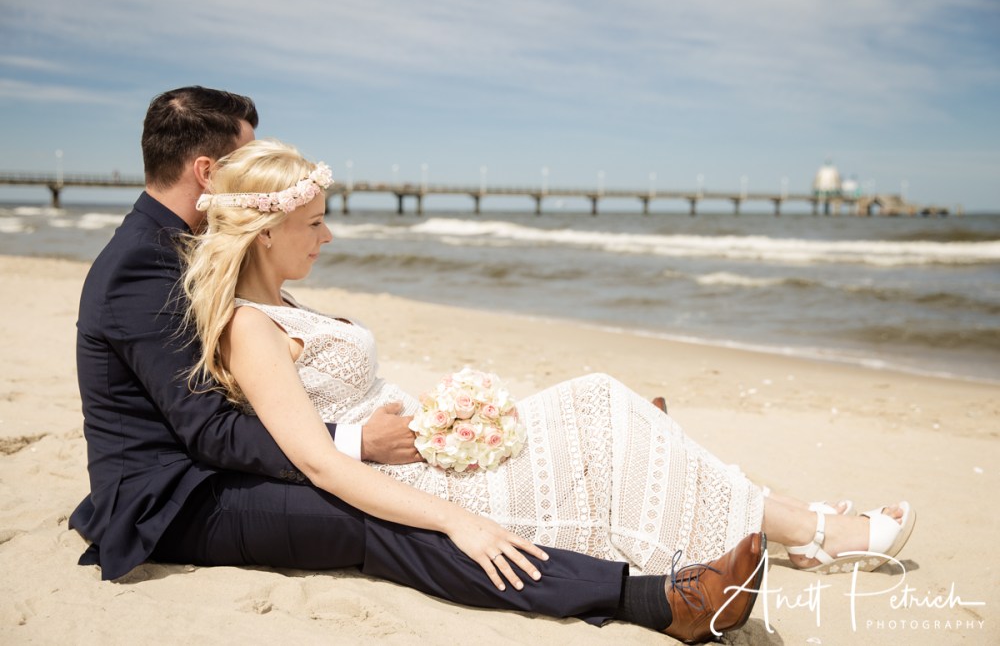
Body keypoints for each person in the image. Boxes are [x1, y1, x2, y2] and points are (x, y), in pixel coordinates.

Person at [69, 86, 765, 645]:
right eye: (245, 159)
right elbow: (206, 431)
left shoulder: (196, 252)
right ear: (207, 174)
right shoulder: (143, 267)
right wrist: (352, 444)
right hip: (175, 495)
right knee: (373, 518)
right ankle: (647, 598)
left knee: (415, 489)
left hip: (228, 460)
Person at [180, 139, 916, 596]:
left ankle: (798, 523)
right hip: (419, 483)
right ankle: (813, 528)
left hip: (433, 452)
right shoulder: (251, 327)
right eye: (314, 224)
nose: (329, 236)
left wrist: (450, 417)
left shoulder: (285, 302)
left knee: (612, 417)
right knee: (600, 406)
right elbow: (323, 466)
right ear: (267, 232)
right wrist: (458, 523)